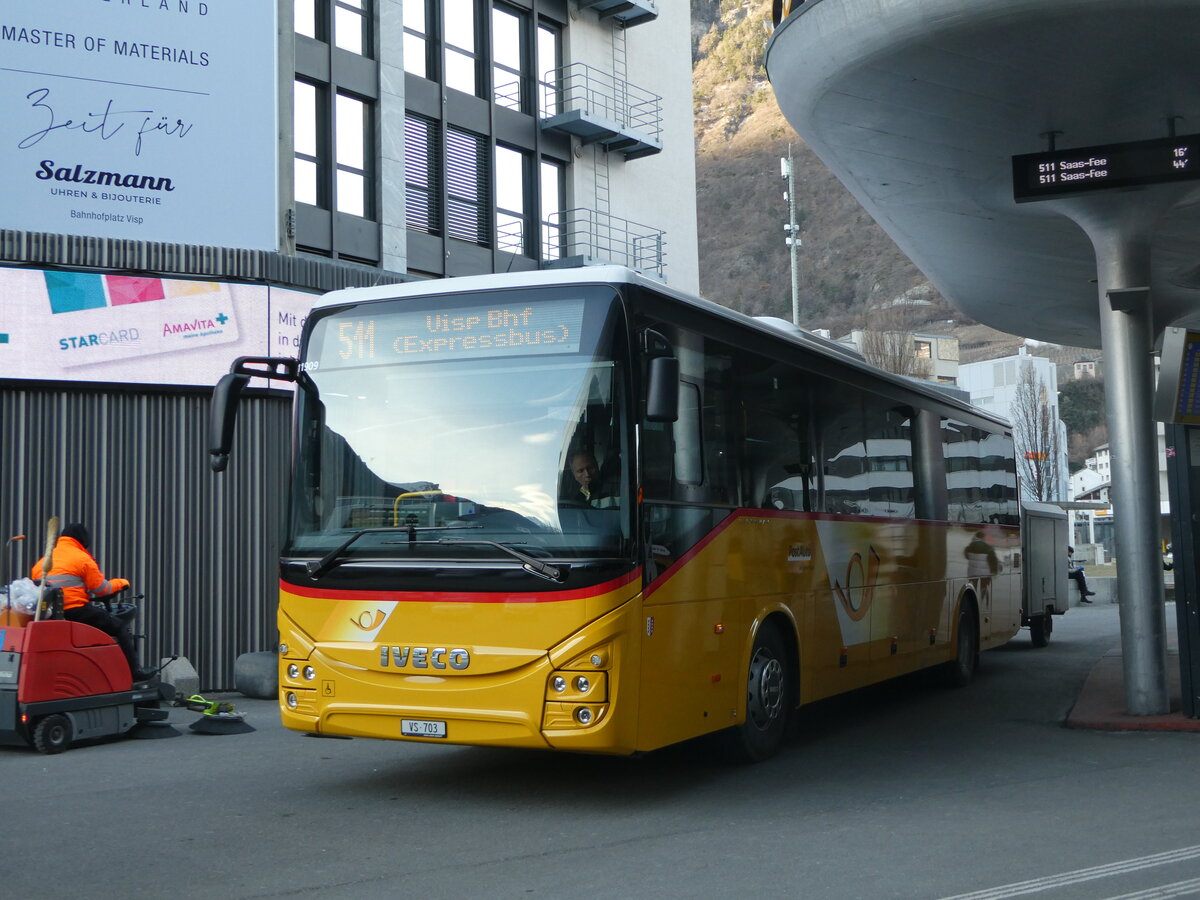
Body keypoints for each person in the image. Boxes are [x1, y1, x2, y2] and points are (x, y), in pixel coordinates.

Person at [31, 522, 154, 681]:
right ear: (83, 540)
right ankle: (136, 673)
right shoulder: (82, 558)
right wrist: (121, 583)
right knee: (119, 627)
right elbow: (103, 590)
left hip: (49, 615)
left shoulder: (41, 563)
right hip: (75, 611)